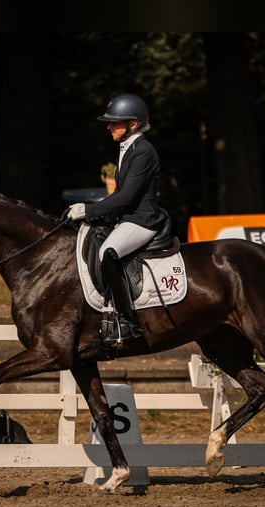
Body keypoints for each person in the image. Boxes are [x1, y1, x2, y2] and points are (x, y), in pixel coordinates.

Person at [67, 93, 168, 346]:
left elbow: (125, 197)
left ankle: (125, 320)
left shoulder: (143, 151)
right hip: (128, 217)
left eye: (115, 122)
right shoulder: (128, 148)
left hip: (142, 220)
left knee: (108, 252)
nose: (109, 126)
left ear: (132, 124)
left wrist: (88, 210)